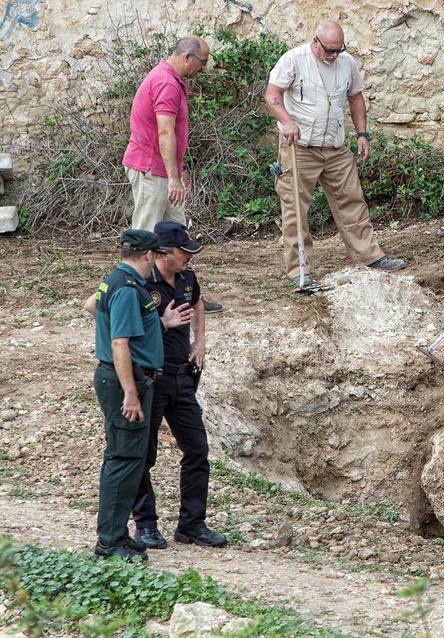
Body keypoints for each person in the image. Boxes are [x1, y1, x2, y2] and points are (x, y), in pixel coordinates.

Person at [263, 20, 406, 289]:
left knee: (352, 199)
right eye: (329, 50)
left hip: (335, 146)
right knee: (295, 209)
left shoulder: (347, 63)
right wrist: (287, 121)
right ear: (315, 41)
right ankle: (299, 270)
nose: (333, 55)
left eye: (338, 50)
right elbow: (272, 94)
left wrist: (362, 134)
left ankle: (370, 256)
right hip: (299, 147)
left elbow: (356, 97)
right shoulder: (293, 59)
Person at [89, 230, 191, 561]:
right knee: (123, 460)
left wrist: (160, 323)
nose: (156, 260)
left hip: (130, 378)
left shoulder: (117, 280)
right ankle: (110, 542)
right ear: (148, 255)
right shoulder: (127, 289)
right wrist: (130, 393)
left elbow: (102, 313)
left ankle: (117, 535)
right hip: (126, 381)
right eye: (156, 255)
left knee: (128, 458)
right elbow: (120, 343)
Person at [129, 221, 227, 550]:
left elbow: (197, 303)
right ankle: (145, 525)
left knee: (197, 450)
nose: (189, 256)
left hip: (182, 377)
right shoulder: (140, 282)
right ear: (162, 253)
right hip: (152, 379)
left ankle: (191, 524)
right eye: (183, 251)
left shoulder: (187, 277)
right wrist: (161, 322)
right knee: (144, 455)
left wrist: (200, 341)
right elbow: (109, 316)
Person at [121, 35, 224, 314]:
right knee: (144, 236)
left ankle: (186, 296)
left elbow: (173, 134)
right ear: (187, 57)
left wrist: (178, 171)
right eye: (203, 62)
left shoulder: (172, 79)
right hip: (151, 170)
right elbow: (165, 132)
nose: (203, 68)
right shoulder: (166, 82)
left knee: (178, 235)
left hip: (162, 170)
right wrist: (173, 177)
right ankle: (132, 299)